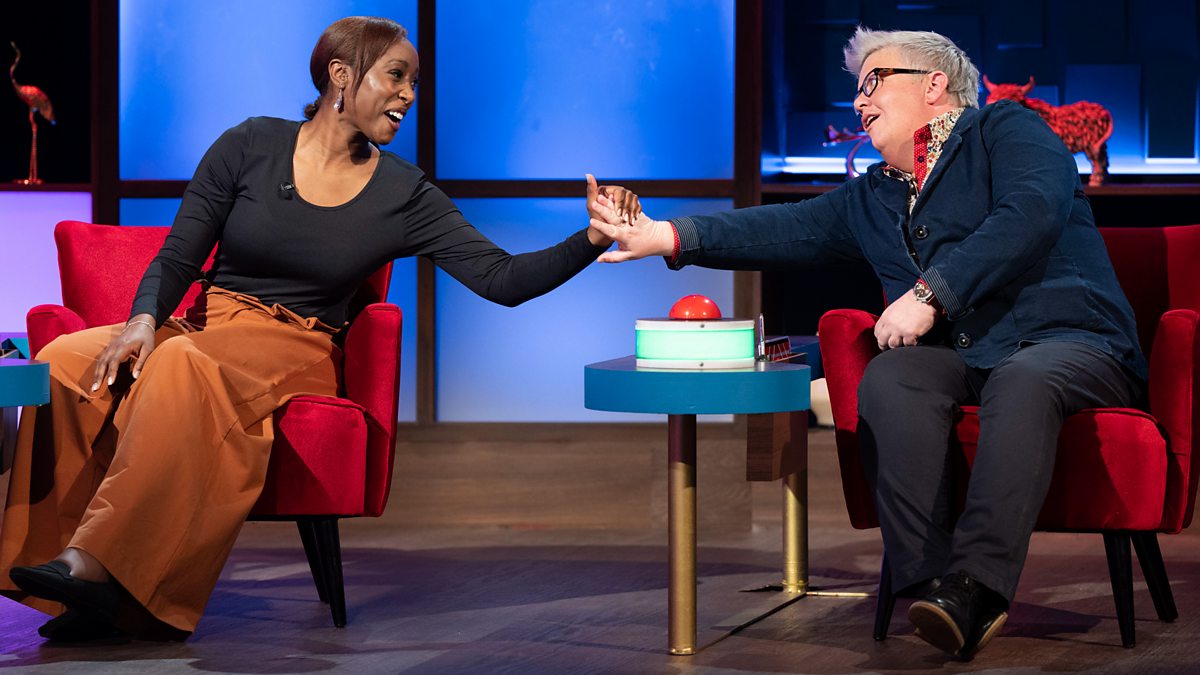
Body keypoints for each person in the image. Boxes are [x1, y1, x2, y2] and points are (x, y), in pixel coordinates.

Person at [0, 16, 639, 642]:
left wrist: (591, 238)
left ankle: (102, 567)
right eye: (396, 76)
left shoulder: (403, 194)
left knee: (179, 364)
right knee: (66, 358)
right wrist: (142, 321)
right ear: (342, 75)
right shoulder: (249, 143)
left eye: (414, 82)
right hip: (206, 320)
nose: (409, 95)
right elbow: (179, 254)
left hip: (296, 342)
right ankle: (62, 582)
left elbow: (502, 279)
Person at [587, 27, 1145, 660]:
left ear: (934, 84)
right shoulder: (875, 192)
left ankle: (978, 588)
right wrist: (663, 235)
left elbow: (1029, 213)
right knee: (892, 377)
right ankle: (930, 586)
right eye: (856, 89)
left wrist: (931, 294)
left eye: (874, 81)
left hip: (1071, 342)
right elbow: (783, 228)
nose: (859, 100)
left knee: (1025, 379)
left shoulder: (1006, 129)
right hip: (971, 356)